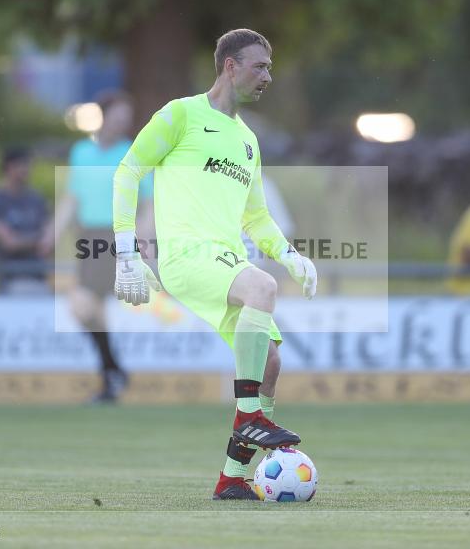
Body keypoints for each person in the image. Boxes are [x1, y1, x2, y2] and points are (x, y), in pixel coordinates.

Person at [112, 29, 317, 500]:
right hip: (187, 255)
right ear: (230, 66)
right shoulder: (181, 114)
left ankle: (233, 479)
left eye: (269, 67)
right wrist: (126, 250)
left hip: (223, 259)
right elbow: (129, 170)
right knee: (261, 288)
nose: (268, 76)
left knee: (269, 359)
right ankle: (250, 416)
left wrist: (290, 254)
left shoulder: (247, 140)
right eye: (259, 66)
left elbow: (256, 215)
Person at [40, 91, 154, 403]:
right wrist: (52, 232)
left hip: (117, 237)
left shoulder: (132, 152)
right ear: (103, 115)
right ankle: (111, 375)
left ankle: (111, 369)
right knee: (93, 310)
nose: (122, 123)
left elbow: (148, 203)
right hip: (88, 238)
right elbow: (72, 199)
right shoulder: (81, 153)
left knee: (82, 304)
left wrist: (142, 238)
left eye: (126, 120)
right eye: (118, 117)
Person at [0, 148, 49, 295]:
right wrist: (37, 241)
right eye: (22, 165)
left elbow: (47, 241)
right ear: (9, 167)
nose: (27, 170)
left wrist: (26, 241)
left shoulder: (36, 200)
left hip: (38, 279)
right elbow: (9, 243)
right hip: (10, 280)